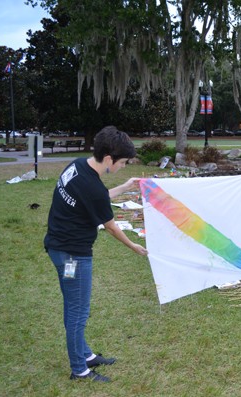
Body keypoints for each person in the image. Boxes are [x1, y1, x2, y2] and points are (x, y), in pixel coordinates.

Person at [44, 125, 148, 382]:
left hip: (59, 248)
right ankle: (80, 369)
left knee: (73, 305)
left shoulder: (78, 166)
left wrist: (125, 186)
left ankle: (86, 354)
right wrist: (134, 246)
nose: (124, 166)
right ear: (110, 159)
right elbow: (111, 225)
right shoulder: (91, 185)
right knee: (77, 310)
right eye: (123, 162)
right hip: (72, 257)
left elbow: (98, 198)